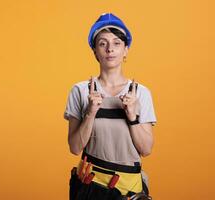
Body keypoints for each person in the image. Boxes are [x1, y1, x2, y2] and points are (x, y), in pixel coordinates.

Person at [64, 13, 157, 200]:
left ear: (126, 50)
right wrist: (90, 112)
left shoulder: (140, 93)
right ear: (95, 52)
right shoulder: (80, 91)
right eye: (102, 43)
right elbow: (75, 147)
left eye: (116, 43)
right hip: (90, 186)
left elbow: (146, 150)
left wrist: (132, 116)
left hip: (129, 187)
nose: (109, 49)